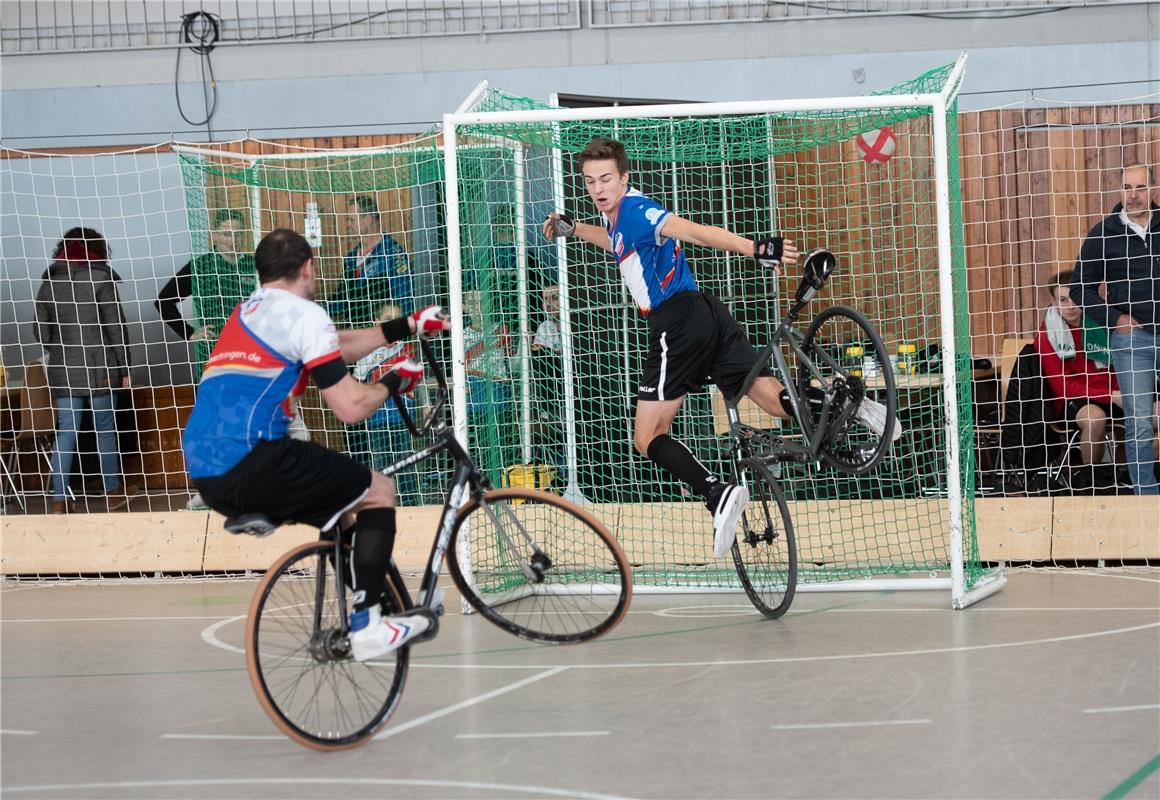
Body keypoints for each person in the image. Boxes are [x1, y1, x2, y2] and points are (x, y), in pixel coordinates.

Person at [542, 137, 899, 559]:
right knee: (770, 399)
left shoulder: (637, 210)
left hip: (676, 323)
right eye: (589, 181)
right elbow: (617, 242)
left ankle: (718, 493)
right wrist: (574, 229)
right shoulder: (622, 217)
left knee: (647, 436)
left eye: (606, 179)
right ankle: (859, 410)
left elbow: (694, 231)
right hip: (709, 316)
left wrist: (753, 248)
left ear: (624, 178)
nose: (598, 188)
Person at [181, 229, 450, 661]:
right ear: (308, 268)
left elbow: (332, 346)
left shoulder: (246, 313)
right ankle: (366, 625)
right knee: (378, 489)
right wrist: (395, 381)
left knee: (340, 514)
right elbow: (350, 408)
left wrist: (409, 326)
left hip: (207, 474)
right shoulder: (307, 316)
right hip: (257, 458)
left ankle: (376, 609)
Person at [1070, 163, 1160, 494]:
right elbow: (1081, 287)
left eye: (1139, 187)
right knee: (1138, 422)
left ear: (1152, 189)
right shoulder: (1103, 233)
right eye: (1127, 187)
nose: (1133, 195)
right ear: (1120, 190)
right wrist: (1114, 319)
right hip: (1132, 340)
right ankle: (1146, 497)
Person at [34, 227, 136, 514]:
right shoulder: (102, 279)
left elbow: (40, 333)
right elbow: (117, 328)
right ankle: (112, 491)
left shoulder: (49, 283)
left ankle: (58, 500)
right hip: (100, 366)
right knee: (105, 428)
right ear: (97, 250)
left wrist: (63, 347)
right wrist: (124, 366)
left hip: (63, 368)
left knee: (66, 431)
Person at [1034, 270, 1120, 469]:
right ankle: (1091, 481)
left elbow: (1119, 368)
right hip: (1074, 401)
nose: (1071, 307)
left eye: (1075, 299)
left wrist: (1122, 394)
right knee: (1095, 418)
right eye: (1063, 300)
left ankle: (1138, 477)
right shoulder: (1047, 336)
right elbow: (1064, 388)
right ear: (1053, 301)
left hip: (1113, 393)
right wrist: (1111, 395)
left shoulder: (1103, 323)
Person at [155, 209, 257, 377]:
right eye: (226, 234)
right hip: (213, 353)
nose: (233, 240)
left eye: (238, 234)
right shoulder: (201, 267)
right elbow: (163, 301)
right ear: (215, 236)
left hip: (250, 351)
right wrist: (190, 333)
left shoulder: (253, 265)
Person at [348, 302, 421, 503]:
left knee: (406, 462)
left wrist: (423, 403)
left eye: (396, 317)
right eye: (387, 317)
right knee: (379, 464)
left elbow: (417, 381)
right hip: (376, 416)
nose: (392, 322)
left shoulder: (407, 348)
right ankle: (379, 503)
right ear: (377, 321)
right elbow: (357, 383)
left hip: (403, 415)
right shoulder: (366, 351)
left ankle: (410, 505)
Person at [328, 195, 414, 325]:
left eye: (352, 220)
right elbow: (342, 300)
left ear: (367, 219)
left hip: (383, 339)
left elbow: (405, 301)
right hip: (357, 339)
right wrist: (315, 310)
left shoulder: (393, 254)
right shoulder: (350, 259)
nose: (348, 225)